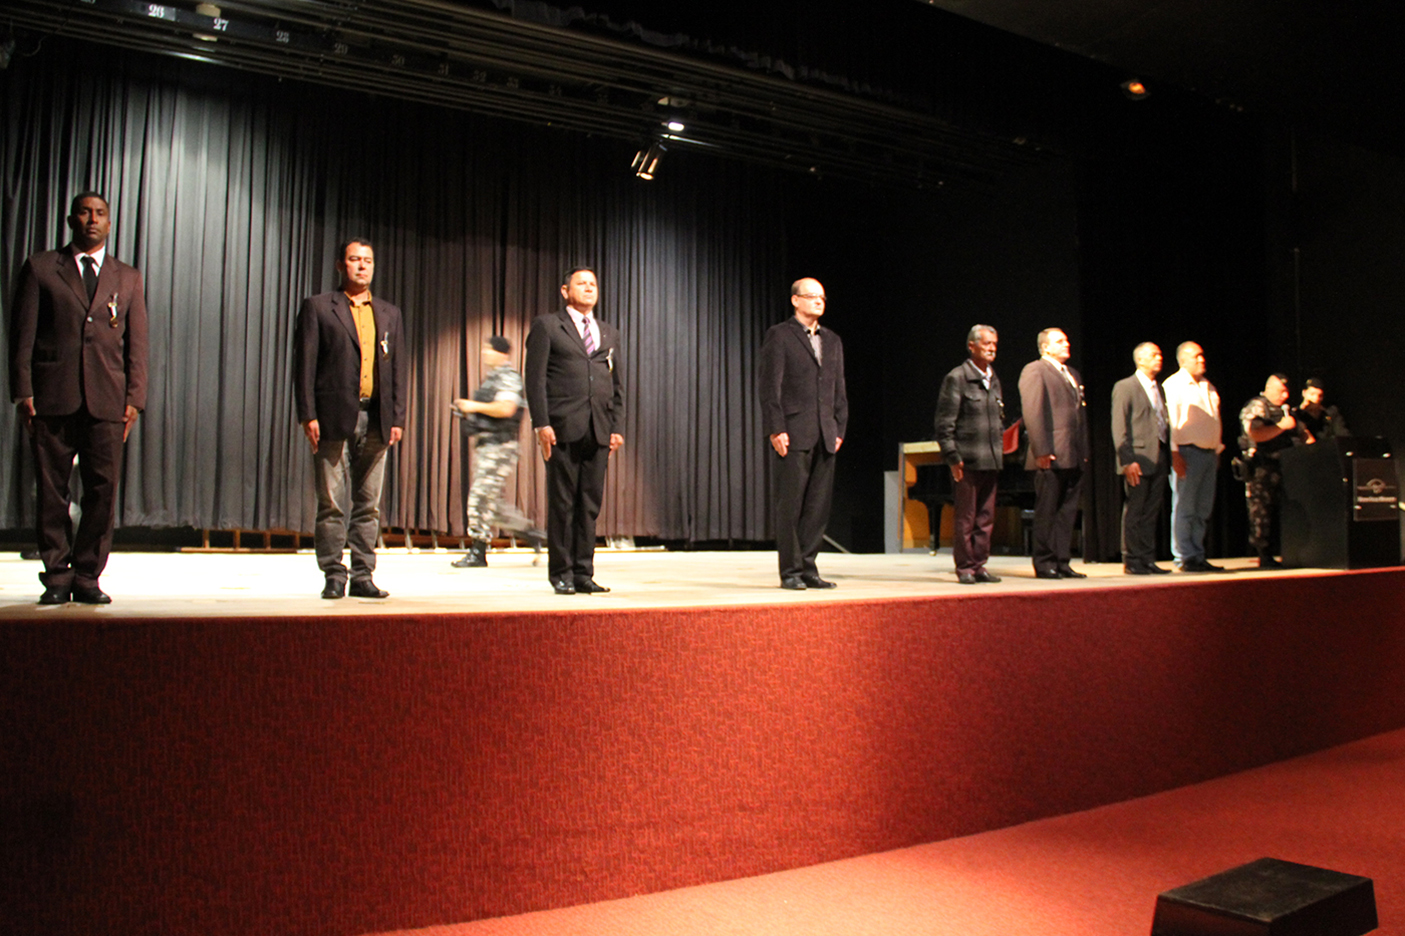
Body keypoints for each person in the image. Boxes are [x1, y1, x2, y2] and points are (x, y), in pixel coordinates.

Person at [8, 191, 148, 604]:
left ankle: (87, 575)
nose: (92, 219)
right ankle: (57, 575)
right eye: (84, 212)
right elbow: (22, 336)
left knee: (102, 491)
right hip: (52, 397)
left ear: (110, 223)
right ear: (71, 220)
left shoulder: (127, 277)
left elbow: (137, 345)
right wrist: (23, 390)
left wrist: (135, 398)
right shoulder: (41, 268)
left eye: (100, 213)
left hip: (108, 400)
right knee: (52, 491)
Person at [293, 238, 408, 599]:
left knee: (369, 506)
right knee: (331, 504)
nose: (362, 266)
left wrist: (398, 417)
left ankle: (362, 574)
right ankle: (333, 574)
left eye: (368, 260)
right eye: (355, 259)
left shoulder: (389, 313)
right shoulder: (318, 307)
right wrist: (307, 414)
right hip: (332, 418)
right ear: (341, 265)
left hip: (377, 418)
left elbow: (398, 370)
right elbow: (304, 366)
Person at [524, 267, 624, 595]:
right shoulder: (548, 326)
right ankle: (561, 573)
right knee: (563, 504)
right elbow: (535, 379)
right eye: (581, 283)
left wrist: (617, 427)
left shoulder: (608, 332)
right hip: (562, 427)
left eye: (593, 283)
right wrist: (542, 423)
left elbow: (617, 384)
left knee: (589, 505)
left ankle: (583, 573)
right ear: (565, 291)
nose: (589, 287)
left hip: (599, 428)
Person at [759, 277, 848, 590]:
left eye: (822, 297)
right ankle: (791, 571)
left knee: (817, 507)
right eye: (811, 296)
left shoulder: (832, 340)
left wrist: (839, 426)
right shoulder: (780, 335)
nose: (818, 301)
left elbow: (838, 388)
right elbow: (770, 386)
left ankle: (809, 567)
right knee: (791, 505)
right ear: (795, 300)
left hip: (826, 432)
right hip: (794, 431)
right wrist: (776, 428)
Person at [450, 335, 543, 568]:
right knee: (493, 505)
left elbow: (506, 408)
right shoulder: (493, 378)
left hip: (499, 446)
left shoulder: (508, 377)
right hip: (488, 445)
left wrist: (473, 406)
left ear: (501, 353)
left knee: (480, 497)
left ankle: (478, 552)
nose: (484, 353)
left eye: (488, 349)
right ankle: (531, 534)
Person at [933, 325, 1005, 585]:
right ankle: (964, 567)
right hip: (966, 460)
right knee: (966, 517)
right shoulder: (958, 377)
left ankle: (979, 565)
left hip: (991, 459)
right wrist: (953, 456)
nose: (992, 348)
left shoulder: (994, 379)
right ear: (971, 346)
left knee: (985, 518)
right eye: (986, 343)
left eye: (994, 344)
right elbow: (944, 423)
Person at [1017, 327, 1089, 579]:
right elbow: (1033, 412)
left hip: (1073, 453)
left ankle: (1062, 560)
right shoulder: (1035, 370)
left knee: (1067, 511)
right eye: (1060, 341)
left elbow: (1080, 416)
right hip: (1050, 454)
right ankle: (1045, 562)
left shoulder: (1072, 373)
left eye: (1066, 340)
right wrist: (1041, 450)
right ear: (1045, 347)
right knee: (1047, 510)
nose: (1066, 344)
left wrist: (1084, 450)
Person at [1162, 342, 1224, 573]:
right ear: (1183, 360)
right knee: (1185, 507)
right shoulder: (1174, 384)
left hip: (1208, 453)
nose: (1201, 359)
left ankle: (1197, 554)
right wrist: (1175, 453)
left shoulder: (1208, 386)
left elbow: (1214, 419)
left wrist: (1216, 449)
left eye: (1202, 355)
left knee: (1202, 508)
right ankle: (1184, 556)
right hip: (1187, 452)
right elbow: (1171, 421)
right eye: (1196, 356)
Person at [1110, 342, 1171, 574]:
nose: (1159, 358)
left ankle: (1147, 558)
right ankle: (1132, 559)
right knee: (1135, 510)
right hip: (1137, 457)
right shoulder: (1126, 386)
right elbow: (1119, 426)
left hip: (1159, 455)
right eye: (1154, 355)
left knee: (1151, 511)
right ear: (1141, 359)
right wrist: (1126, 460)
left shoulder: (1159, 388)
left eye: (1160, 354)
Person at [1238, 373, 1306, 569]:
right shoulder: (1258, 407)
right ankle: (1264, 553)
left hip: (1284, 467)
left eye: (1286, 391)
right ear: (1268, 389)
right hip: (1261, 468)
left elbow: (1303, 434)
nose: (1285, 395)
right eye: (1280, 391)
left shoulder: (1286, 410)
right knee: (1261, 513)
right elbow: (1255, 433)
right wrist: (1281, 427)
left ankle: (1288, 551)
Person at [1293, 378, 1348, 442]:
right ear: (1304, 393)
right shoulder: (1296, 414)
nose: (1316, 399)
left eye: (1320, 395)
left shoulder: (1330, 413)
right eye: (1312, 394)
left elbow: (1343, 435)